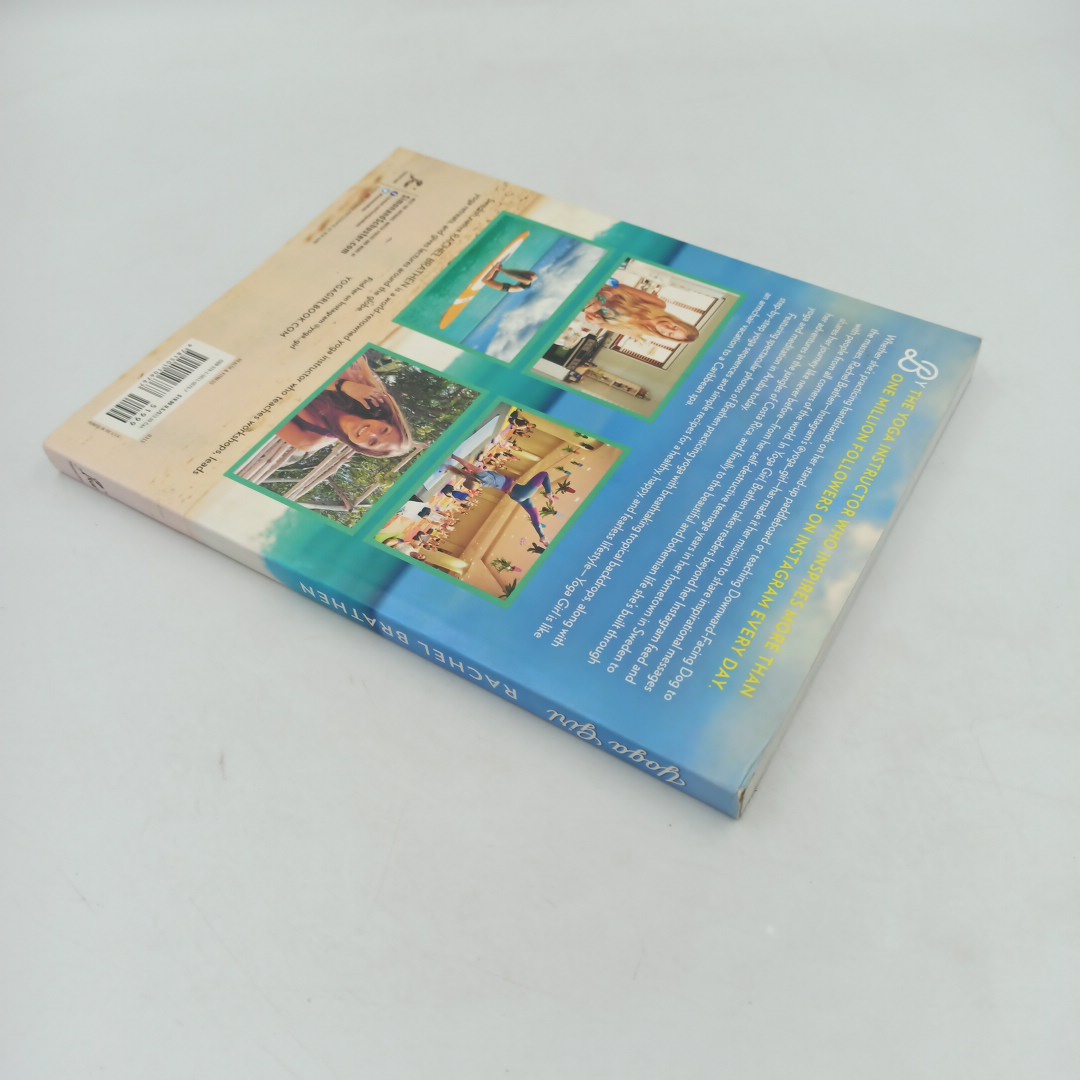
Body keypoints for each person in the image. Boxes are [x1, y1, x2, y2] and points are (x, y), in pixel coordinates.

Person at [278, 355, 412, 457]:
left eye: (372, 442)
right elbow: (310, 361)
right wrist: (347, 386)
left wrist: (341, 385)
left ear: (363, 448)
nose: (371, 433)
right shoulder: (360, 383)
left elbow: (268, 410)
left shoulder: (309, 440)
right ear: (384, 421)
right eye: (383, 430)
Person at [445, 454, 556, 544]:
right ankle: (548, 495)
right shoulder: (483, 478)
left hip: (517, 495)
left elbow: (466, 470)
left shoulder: (481, 482)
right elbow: (468, 466)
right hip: (520, 493)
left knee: (534, 515)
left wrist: (452, 463)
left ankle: (542, 536)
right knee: (544, 475)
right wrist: (453, 457)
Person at [582, 281, 699, 344]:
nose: (667, 329)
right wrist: (602, 298)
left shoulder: (638, 332)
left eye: (670, 334)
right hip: (591, 285)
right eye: (674, 327)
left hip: (582, 304)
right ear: (677, 322)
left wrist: (596, 319)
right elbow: (619, 287)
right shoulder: (659, 305)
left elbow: (602, 324)